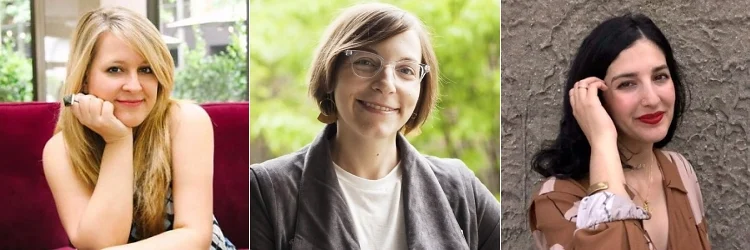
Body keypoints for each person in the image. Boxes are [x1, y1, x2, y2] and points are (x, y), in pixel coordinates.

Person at [250, 3, 500, 250]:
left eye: (406, 70)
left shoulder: (459, 187)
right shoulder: (267, 190)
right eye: (366, 62)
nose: (386, 84)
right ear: (330, 73)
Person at [42, 6, 235, 249]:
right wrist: (118, 141)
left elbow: (194, 236)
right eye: (115, 69)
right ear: (84, 78)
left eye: (146, 70)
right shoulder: (61, 150)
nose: (134, 86)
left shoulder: (186, 121)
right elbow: (101, 241)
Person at [528, 13, 710, 250]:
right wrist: (602, 141)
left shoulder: (679, 170)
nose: (652, 99)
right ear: (596, 99)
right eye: (627, 84)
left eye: (660, 77)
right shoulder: (555, 199)